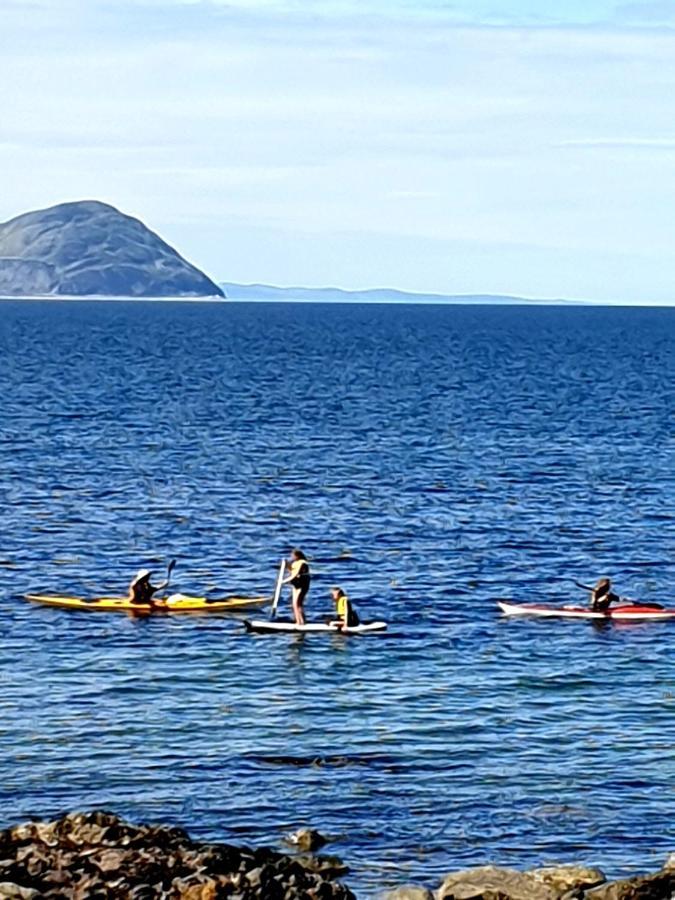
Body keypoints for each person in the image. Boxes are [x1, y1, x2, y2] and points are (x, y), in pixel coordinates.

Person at [283, 549, 311, 625]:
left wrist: (284, 581)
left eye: (293, 556)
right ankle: (298, 621)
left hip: (302, 584)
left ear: (297, 555)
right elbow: (292, 570)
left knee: (298, 603)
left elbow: (296, 574)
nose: (292, 557)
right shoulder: (295, 563)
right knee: (294, 604)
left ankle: (301, 622)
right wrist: (287, 564)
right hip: (296, 584)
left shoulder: (302, 563)